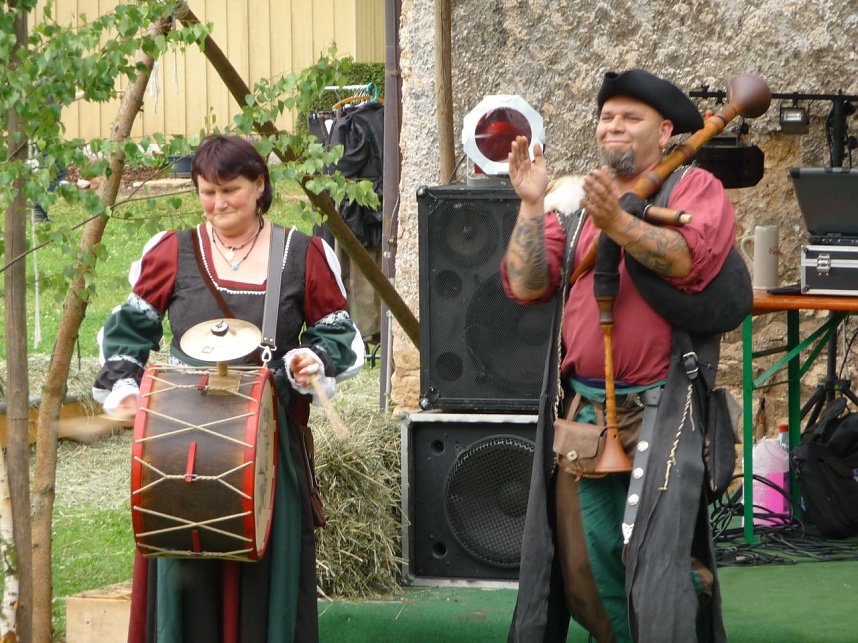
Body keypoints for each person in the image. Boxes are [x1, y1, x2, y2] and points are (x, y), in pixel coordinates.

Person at [92, 134, 365, 642]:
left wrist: (313, 359)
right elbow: (128, 334)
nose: (218, 203)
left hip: (268, 446)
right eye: (207, 191)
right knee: (185, 577)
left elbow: (339, 332)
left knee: (266, 578)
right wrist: (125, 387)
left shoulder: (301, 253)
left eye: (231, 190)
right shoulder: (173, 251)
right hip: (178, 450)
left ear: (260, 185)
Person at [502, 69, 736, 642]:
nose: (614, 126)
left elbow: (686, 260)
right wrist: (532, 206)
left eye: (631, 117)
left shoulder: (694, 189)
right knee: (583, 569)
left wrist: (622, 226)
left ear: (665, 132)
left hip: (666, 408)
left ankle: (681, 597)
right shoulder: (579, 202)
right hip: (584, 413)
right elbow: (526, 284)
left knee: (654, 565)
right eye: (607, 116)